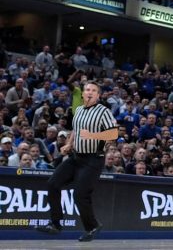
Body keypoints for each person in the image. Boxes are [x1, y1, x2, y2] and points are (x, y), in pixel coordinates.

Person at [34, 81, 117, 242]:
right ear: (83, 93)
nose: (89, 92)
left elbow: (113, 134)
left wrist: (93, 136)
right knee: (52, 184)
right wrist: (69, 144)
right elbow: (76, 129)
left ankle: (92, 226)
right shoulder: (78, 110)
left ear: (98, 95)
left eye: (94, 90)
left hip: (93, 159)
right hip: (76, 157)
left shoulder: (103, 111)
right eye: (87, 89)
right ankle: (56, 224)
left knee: (80, 194)